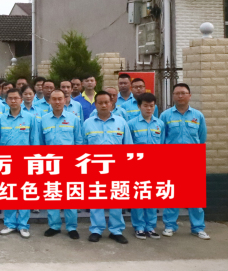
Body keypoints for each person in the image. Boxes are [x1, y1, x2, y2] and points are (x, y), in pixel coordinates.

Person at [159, 83, 210, 240]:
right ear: (173, 96)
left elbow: (202, 137)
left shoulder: (198, 116)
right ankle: (170, 225)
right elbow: (161, 138)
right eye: (177, 93)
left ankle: (198, 228)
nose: (180, 96)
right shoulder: (165, 116)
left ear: (189, 95)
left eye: (183, 93)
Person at [82, 91, 132, 244]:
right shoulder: (87, 123)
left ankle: (116, 230)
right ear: (96, 105)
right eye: (100, 103)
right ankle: (96, 229)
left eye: (106, 102)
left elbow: (128, 146)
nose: (104, 105)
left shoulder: (121, 122)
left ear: (111, 104)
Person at [0, 88, 40, 239]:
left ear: (21, 100)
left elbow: (35, 141)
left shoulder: (30, 118)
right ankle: (9, 223)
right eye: (10, 98)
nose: (13, 101)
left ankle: (23, 225)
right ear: (6, 100)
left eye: (16, 98)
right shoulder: (0, 119)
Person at [39, 89, 82, 240]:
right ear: (49, 101)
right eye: (54, 99)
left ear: (65, 100)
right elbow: (40, 143)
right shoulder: (43, 120)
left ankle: (72, 227)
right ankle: (54, 226)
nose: (57, 102)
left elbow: (79, 141)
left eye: (60, 99)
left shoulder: (73, 119)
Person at [127, 92, 164, 240]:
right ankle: (139, 227)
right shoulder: (131, 124)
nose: (149, 109)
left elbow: (162, 144)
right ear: (139, 106)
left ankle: (151, 227)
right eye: (146, 106)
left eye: (152, 106)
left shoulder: (159, 124)